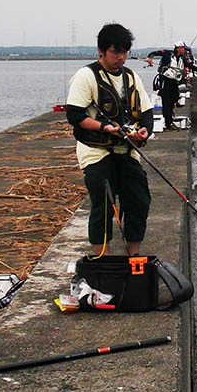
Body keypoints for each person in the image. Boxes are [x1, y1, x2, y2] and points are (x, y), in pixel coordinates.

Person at [65, 23, 153, 258]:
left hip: (126, 149)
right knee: (103, 204)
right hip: (96, 151)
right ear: (101, 51)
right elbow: (74, 115)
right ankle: (101, 259)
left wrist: (144, 131)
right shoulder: (86, 76)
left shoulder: (131, 76)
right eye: (115, 52)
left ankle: (133, 256)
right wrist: (105, 127)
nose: (120, 57)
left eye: (124, 52)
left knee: (139, 200)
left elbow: (146, 112)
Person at [146, 41, 197, 131]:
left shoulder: (183, 59)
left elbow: (193, 67)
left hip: (174, 81)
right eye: (184, 49)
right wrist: (149, 58)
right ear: (178, 48)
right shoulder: (167, 53)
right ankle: (168, 123)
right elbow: (154, 53)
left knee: (174, 99)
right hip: (165, 80)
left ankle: (169, 120)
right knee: (167, 102)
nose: (185, 51)